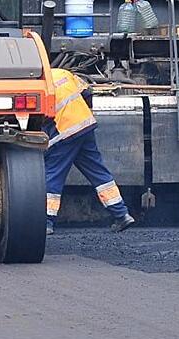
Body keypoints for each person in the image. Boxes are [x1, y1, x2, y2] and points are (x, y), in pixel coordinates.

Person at [44, 68, 135, 235]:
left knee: (52, 174)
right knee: (98, 172)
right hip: (85, 127)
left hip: (64, 133)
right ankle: (122, 214)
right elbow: (87, 92)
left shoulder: (39, 82)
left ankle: (46, 222)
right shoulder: (63, 74)